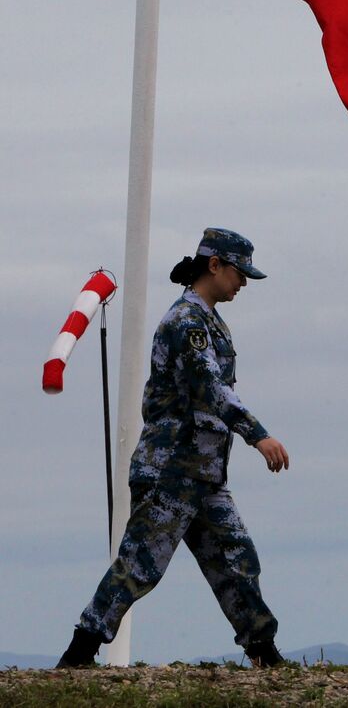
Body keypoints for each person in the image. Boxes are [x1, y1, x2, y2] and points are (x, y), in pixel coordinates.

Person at [57, 228, 290, 669]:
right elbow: (210, 390)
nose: (242, 283)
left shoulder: (210, 321)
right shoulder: (186, 323)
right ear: (215, 266)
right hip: (171, 472)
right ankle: (79, 652)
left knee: (238, 559)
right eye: (239, 273)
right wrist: (258, 435)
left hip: (204, 475)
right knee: (140, 565)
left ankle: (265, 653)